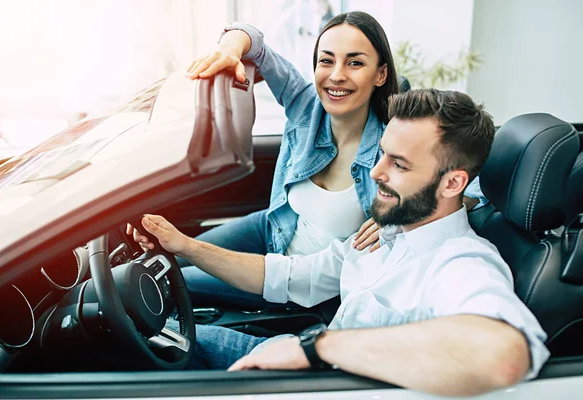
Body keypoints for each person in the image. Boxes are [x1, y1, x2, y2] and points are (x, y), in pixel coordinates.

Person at [132, 89, 549, 397]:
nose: (375, 172)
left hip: (317, 378)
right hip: (290, 357)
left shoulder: (462, 262)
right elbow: (285, 275)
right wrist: (184, 245)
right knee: (141, 335)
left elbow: (503, 352)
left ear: (453, 182)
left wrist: (317, 349)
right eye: (383, 153)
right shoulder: (385, 232)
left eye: (399, 164)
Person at [175, 12, 486, 308]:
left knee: (166, 282)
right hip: (272, 228)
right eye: (326, 61)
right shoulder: (306, 105)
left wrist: (400, 220)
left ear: (381, 74)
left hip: (298, 279)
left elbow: (475, 187)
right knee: (165, 258)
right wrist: (229, 50)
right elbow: (254, 43)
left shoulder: (394, 145)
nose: (337, 75)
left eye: (354, 63)